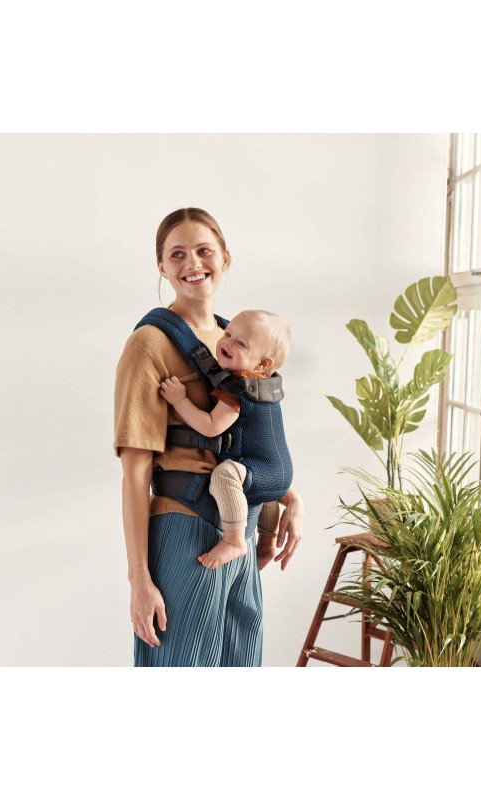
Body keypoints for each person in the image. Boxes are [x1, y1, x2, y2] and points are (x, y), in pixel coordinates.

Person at [114, 208, 304, 667]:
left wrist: (288, 497)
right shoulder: (149, 345)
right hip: (187, 525)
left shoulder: (234, 337)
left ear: (225, 258)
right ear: (161, 267)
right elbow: (136, 472)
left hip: (242, 526)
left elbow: (253, 439)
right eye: (177, 254)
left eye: (203, 250)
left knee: (242, 665)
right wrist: (139, 579)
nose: (192, 263)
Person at [159, 309, 291, 570]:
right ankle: (267, 543)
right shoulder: (267, 386)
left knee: (224, 475)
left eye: (240, 343)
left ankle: (234, 540)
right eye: (228, 334)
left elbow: (210, 426)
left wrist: (179, 400)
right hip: (279, 473)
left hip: (260, 469)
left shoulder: (239, 388)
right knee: (261, 495)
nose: (227, 343)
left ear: (262, 365)